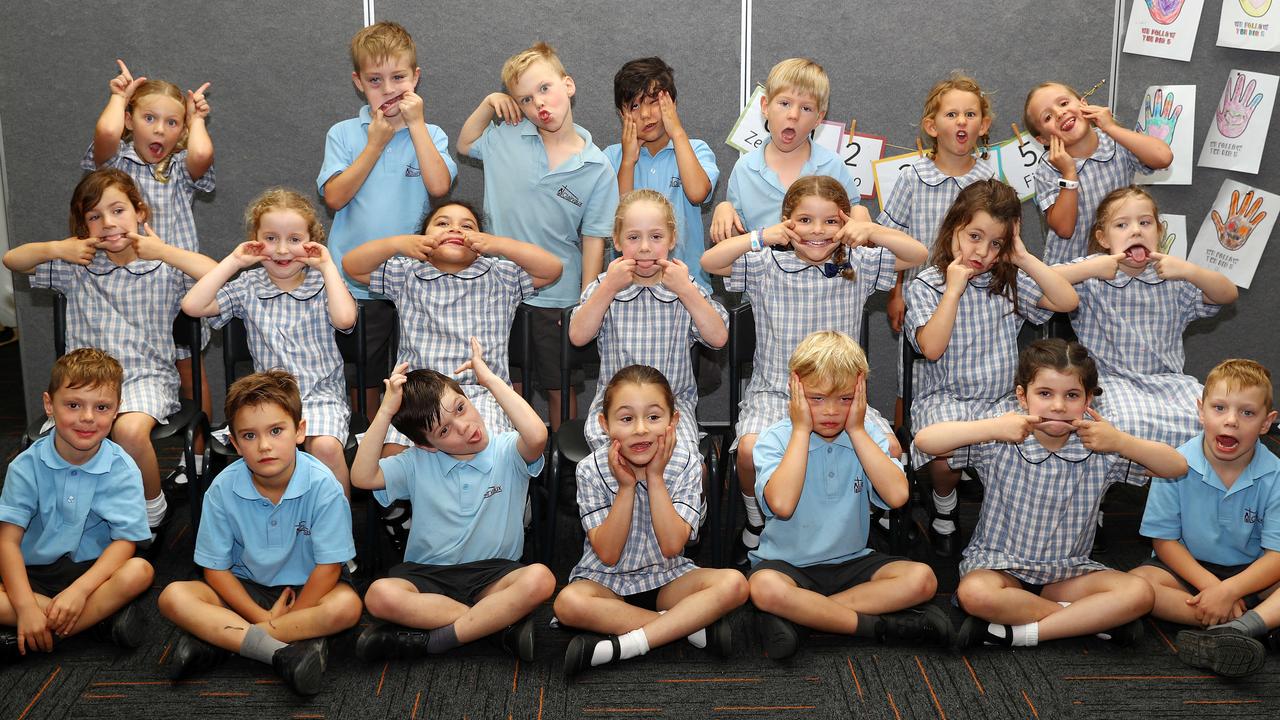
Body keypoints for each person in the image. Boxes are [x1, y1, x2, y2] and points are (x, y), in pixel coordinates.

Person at [702, 175, 926, 564]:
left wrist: (870, 229)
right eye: (804, 220)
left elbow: (918, 254)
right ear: (786, 221)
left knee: (889, 447)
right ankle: (756, 521)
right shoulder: (767, 265)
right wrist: (761, 237)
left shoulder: (857, 263)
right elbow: (711, 262)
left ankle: (853, 520)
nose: (817, 231)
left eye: (830, 222)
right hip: (776, 394)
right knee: (750, 451)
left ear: (844, 225)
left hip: (841, 399)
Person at [914, 339, 1187, 648]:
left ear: (1087, 403)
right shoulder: (1002, 440)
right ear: (1022, 396)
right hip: (999, 567)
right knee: (974, 594)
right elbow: (926, 441)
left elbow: (1176, 467)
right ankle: (1083, 620)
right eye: (1045, 393)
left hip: (1067, 573)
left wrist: (1122, 442)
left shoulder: (1099, 449)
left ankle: (1021, 633)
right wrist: (991, 427)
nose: (1058, 405)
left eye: (1072, 395)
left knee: (1140, 593)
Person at [3, 169, 217, 539]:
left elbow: (217, 275)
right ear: (83, 226)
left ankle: (152, 512)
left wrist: (164, 250)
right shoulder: (76, 265)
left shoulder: (162, 266)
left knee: (129, 430)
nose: (107, 223)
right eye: (94, 216)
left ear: (140, 213)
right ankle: (78, 514)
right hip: (86, 384)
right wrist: (58, 248)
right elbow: (12, 260)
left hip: (145, 377)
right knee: (71, 432)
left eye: (117, 210)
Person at [748, 331, 952, 660]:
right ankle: (878, 627)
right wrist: (801, 430)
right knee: (763, 588)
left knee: (923, 580)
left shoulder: (865, 435)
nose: (830, 411)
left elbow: (898, 496)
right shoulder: (776, 439)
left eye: (844, 399)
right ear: (794, 389)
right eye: (816, 398)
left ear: (860, 394)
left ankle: (805, 618)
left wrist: (857, 430)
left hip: (851, 561)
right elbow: (782, 506)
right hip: (787, 565)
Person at [157, 371, 361, 696]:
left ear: (299, 431)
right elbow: (215, 569)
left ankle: (226, 641)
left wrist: (295, 611)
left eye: (276, 431)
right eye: (249, 436)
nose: (264, 445)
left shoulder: (324, 486)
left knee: (346, 608)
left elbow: (329, 568)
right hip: (245, 589)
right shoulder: (222, 489)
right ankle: (285, 649)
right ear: (235, 444)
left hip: (310, 587)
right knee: (173, 597)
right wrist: (259, 614)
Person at [350, 339, 554, 663]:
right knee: (378, 596)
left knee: (541, 579)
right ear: (428, 445)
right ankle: (495, 626)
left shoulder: (507, 450)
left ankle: (435, 639)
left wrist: (489, 379)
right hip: (428, 575)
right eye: (445, 431)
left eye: (461, 408)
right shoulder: (415, 462)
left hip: (494, 575)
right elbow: (361, 477)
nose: (465, 427)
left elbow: (538, 435)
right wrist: (386, 410)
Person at [906, 179, 1078, 557]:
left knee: (1030, 447)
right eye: (974, 236)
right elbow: (932, 349)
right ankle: (945, 508)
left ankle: (1009, 521)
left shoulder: (1007, 281)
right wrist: (953, 289)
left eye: (996, 243)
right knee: (945, 455)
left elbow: (1067, 300)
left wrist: (1023, 258)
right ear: (953, 228)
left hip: (1001, 399)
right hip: (944, 398)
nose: (982, 252)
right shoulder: (927, 284)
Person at [458, 41, 619, 430]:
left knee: (559, 385)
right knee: (507, 382)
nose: (538, 105)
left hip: (558, 298)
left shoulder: (597, 167)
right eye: (525, 99)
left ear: (568, 85)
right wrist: (488, 103)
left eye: (545, 89)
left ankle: (561, 467)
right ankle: (516, 459)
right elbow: (464, 144)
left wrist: (583, 306)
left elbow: (594, 241)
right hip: (499, 289)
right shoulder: (506, 136)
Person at [555, 365, 748, 678]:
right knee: (568, 604)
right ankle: (682, 625)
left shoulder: (686, 463)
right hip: (606, 582)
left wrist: (655, 478)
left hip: (667, 577)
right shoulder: (589, 469)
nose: (641, 429)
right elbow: (608, 554)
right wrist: (627, 487)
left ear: (673, 422)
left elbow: (673, 546)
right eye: (627, 418)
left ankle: (627, 644)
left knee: (736, 584)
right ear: (605, 425)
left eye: (654, 417)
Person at [318, 20, 457, 412]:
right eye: (375, 79)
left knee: (413, 378)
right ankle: (360, 442)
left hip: (415, 283)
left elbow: (438, 186)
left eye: (398, 77)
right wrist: (375, 144)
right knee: (362, 379)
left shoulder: (431, 133)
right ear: (358, 82)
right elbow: (334, 197)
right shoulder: (344, 134)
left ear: (416, 77)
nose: (389, 88)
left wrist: (415, 126)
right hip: (356, 286)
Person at [342, 199, 562, 446]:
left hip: (481, 394)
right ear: (422, 240)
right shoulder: (406, 273)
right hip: (418, 396)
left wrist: (498, 244)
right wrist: (397, 244)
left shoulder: (501, 275)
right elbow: (352, 266)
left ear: (480, 243)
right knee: (395, 457)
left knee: (484, 450)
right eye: (442, 223)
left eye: (467, 226)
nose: (455, 229)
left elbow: (551, 269)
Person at [85, 59, 216, 469]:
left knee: (191, 370)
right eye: (149, 118)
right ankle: (124, 462)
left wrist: (196, 121)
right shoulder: (114, 163)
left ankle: (197, 456)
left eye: (171, 122)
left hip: (177, 288)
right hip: (129, 292)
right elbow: (106, 132)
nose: (160, 129)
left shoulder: (177, 168)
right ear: (129, 121)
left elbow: (202, 154)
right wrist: (117, 96)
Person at [182, 188, 357, 492]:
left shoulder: (323, 282)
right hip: (269, 399)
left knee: (326, 448)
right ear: (256, 240)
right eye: (271, 238)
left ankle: (336, 525)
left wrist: (328, 266)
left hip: (320, 397)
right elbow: (193, 306)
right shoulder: (248, 284)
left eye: (294, 239)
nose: (282, 250)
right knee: (264, 450)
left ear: (311, 242)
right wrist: (234, 261)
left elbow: (345, 320)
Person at [1054, 186, 1238, 449]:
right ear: (1103, 238)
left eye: (1145, 222)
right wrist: (1089, 268)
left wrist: (1189, 270)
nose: (1136, 230)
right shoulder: (1093, 274)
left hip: (1170, 383)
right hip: (1112, 383)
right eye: (1121, 225)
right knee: (1126, 424)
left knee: (1215, 422)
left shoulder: (1172, 275)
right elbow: (1040, 281)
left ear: (1159, 232)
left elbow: (1227, 294)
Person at [0, 349, 153, 660]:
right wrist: (27, 606)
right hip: (32, 572)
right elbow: (7, 543)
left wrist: (80, 591)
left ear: (116, 411)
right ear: (49, 405)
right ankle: (96, 625)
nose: (87, 417)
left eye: (101, 407)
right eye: (73, 405)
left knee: (140, 571)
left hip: (92, 574)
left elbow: (125, 543)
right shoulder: (25, 466)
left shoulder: (122, 468)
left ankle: (37, 631)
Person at [1132, 359, 1280, 677]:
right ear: (1201, 411)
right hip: (1188, 572)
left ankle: (1235, 628)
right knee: (1136, 587)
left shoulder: (1275, 475)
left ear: (1267, 423)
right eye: (1219, 408)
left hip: (1254, 574)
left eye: (1247, 413)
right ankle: (1256, 623)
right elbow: (1165, 541)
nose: (1231, 422)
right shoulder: (1174, 463)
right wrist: (1213, 587)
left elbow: (1276, 557)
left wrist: (1230, 591)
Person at [877, 73, 999, 426]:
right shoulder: (913, 177)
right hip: (923, 299)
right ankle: (905, 455)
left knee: (967, 377)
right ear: (931, 126)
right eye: (951, 115)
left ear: (984, 124)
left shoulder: (991, 181)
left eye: (970, 114)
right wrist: (896, 292)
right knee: (910, 379)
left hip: (979, 305)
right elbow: (890, 238)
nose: (961, 121)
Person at [569, 190, 727, 451]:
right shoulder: (605, 287)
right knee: (614, 458)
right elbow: (578, 336)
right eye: (633, 237)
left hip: (672, 407)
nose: (644, 247)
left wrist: (686, 290)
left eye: (656, 237)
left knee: (683, 459)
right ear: (617, 241)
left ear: (672, 239)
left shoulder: (684, 288)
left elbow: (718, 338)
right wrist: (608, 287)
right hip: (616, 409)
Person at [710, 57, 866, 243]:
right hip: (764, 270)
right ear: (765, 107)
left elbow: (854, 225)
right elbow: (737, 241)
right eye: (785, 103)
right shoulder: (745, 168)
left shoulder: (833, 165)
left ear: (819, 118)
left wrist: (859, 214)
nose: (793, 115)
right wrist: (725, 211)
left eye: (806, 108)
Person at [1024, 81, 1173, 265]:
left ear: (1083, 104)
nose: (1060, 113)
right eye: (1047, 117)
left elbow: (1163, 157)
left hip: (1119, 264)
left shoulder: (1115, 142)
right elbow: (1064, 229)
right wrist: (1069, 173)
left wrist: (1111, 127)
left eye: (1063, 103)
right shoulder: (1048, 169)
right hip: (1072, 269)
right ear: (1043, 139)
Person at [605, 57, 719, 290]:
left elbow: (697, 193)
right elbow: (617, 219)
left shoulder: (695, 149)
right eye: (635, 106)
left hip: (689, 285)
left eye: (654, 101)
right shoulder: (611, 158)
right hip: (627, 289)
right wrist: (628, 161)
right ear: (621, 113)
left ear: (672, 103)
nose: (646, 114)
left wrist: (677, 132)